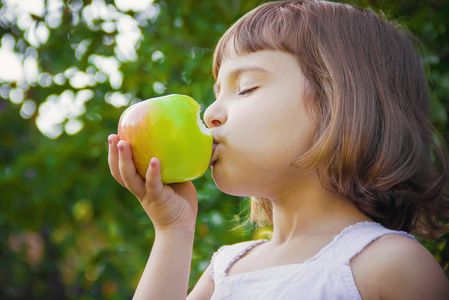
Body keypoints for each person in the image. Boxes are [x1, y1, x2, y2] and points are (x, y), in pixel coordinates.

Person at [107, 0, 449, 299]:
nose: (210, 112)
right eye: (217, 93)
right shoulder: (224, 273)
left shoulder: (392, 265)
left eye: (246, 88)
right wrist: (173, 231)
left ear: (338, 104)